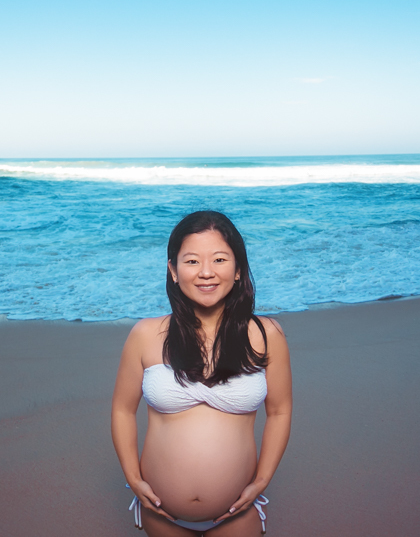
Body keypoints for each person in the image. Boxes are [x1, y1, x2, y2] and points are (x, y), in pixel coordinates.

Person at [111, 211, 292, 535]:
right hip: (161, 515)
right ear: (173, 270)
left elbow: (279, 410)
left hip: (237, 514)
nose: (206, 272)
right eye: (192, 261)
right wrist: (133, 479)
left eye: (220, 259)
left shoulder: (267, 335)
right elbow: (122, 410)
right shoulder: (145, 335)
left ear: (238, 269)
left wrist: (263, 479)